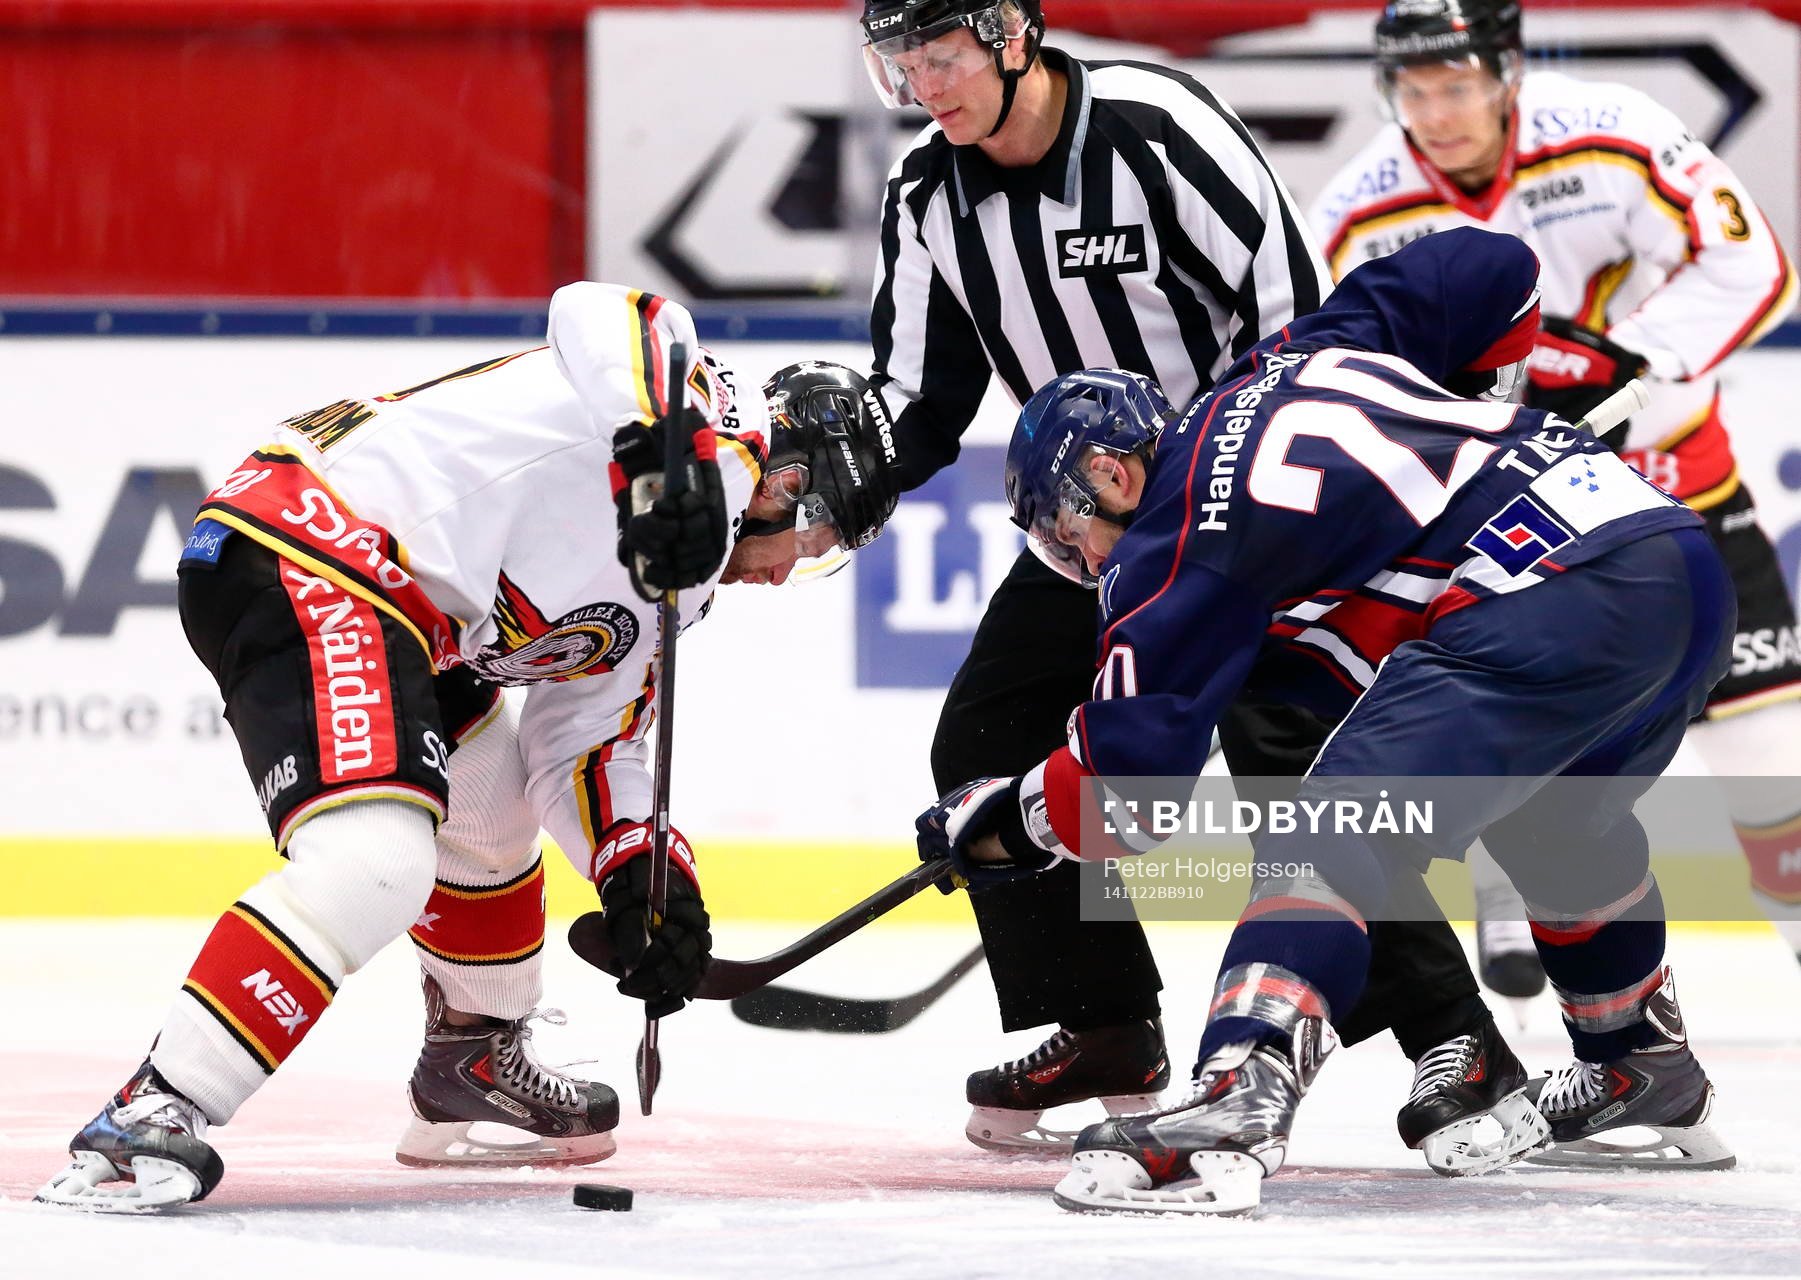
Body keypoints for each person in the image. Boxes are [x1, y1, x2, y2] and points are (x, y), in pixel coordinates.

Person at [918, 227, 1738, 1215]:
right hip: (1670, 559)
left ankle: (1237, 1099)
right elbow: (1487, 267)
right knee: (1560, 818)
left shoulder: (1168, 542)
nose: (1083, 563)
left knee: (1326, 831)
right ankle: (1639, 1062)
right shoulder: (1298, 353)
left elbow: (1128, 797)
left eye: (1066, 531)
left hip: (1541, 596)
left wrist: (998, 820)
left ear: (1110, 473)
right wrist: (1487, 392)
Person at [33, 284, 901, 1212]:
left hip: (413, 616)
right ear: (786, 481)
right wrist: (664, 457)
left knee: (488, 815)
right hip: (315, 543)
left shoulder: (684, 582)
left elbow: (585, 743)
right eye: (815, 539)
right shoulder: (692, 408)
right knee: (374, 862)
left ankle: (471, 1060)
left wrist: (641, 874)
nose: (790, 570)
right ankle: (151, 1108)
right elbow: (605, 311)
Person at [859, 0, 1518, 1160]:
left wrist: (1258, 525)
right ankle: (1105, 1024)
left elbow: (1299, 322)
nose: (924, 86)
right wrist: (812, 496)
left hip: (1246, 502)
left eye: (942, 55)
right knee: (989, 734)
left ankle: (1455, 1037)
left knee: (1286, 755)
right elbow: (917, 397)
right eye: (901, 64)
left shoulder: (1156, 129)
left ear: (1010, 35)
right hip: (1089, 519)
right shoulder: (925, 188)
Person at [1311, 0, 1801, 989]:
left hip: (1672, 478)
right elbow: (1341, 374)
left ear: (1507, 72)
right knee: (1518, 726)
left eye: (1455, 85)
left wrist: (1626, 363)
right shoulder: (1355, 209)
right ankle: (1509, 898)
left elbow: (1750, 262)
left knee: (1768, 759)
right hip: (1510, 517)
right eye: (1411, 90)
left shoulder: (1611, 131)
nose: (1434, 113)